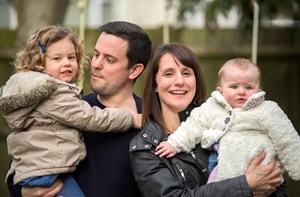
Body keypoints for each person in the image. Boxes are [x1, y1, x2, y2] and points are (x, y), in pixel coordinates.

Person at [7, 21, 152, 197]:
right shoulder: (73, 109)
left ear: (135, 70)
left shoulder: (150, 120)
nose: (96, 64)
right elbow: (24, 160)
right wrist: (23, 192)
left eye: (109, 59)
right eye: (97, 54)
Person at [129, 44, 286, 197]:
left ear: (196, 82)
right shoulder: (145, 148)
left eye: (186, 73)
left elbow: (276, 182)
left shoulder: (224, 121)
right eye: (168, 74)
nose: (179, 81)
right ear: (155, 84)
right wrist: (245, 184)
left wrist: (265, 189)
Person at [155, 58, 300, 184]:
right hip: (223, 171)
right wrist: (174, 143)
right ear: (221, 90)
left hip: (261, 167)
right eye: (234, 86)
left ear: (258, 89)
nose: (241, 91)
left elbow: (287, 138)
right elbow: (193, 126)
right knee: (215, 188)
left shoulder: (267, 110)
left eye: (249, 87)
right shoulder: (212, 107)